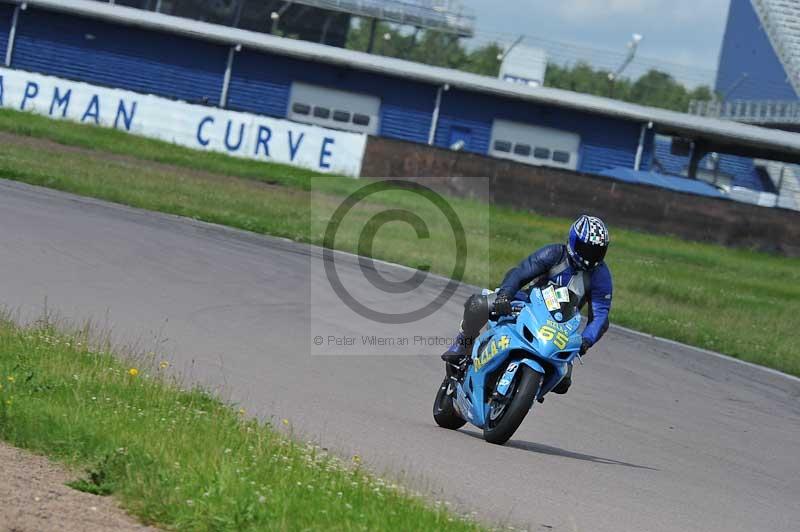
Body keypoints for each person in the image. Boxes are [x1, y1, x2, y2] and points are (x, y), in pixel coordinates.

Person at [441, 215, 613, 395]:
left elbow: (601, 316)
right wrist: (504, 297)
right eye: (586, 248)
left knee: (563, 382)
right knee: (479, 304)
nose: (589, 256)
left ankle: (525, 391)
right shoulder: (554, 254)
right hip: (529, 304)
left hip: (562, 327)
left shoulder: (601, 276)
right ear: (573, 240)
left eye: (596, 251)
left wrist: (585, 340)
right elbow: (521, 273)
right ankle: (463, 343)